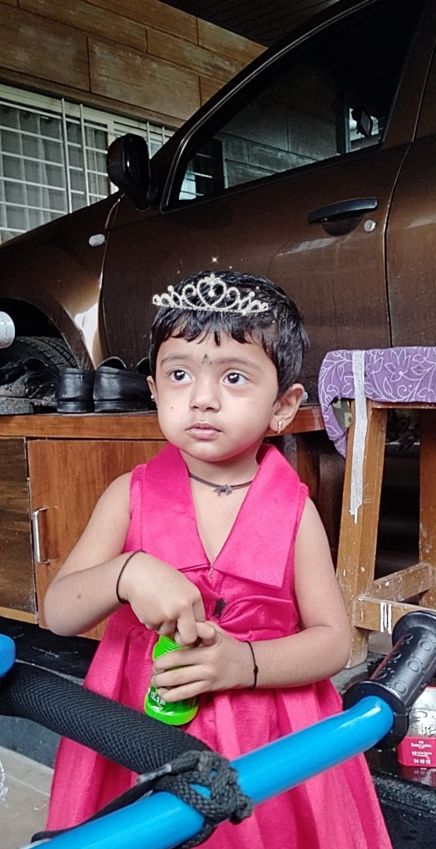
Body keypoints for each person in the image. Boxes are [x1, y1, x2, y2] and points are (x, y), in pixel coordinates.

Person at [44, 270, 392, 849]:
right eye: (179, 374)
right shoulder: (128, 497)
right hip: (139, 739)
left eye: (233, 377)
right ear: (154, 389)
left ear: (283, 406)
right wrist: (125, 572)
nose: (201, 398)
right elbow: (58, 612)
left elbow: (334, 642)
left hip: (269, 744)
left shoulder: (295, 512)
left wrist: (244, 663)